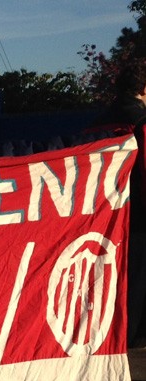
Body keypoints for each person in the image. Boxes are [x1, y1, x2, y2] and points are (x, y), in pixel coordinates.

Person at [91, 61, 146, 348]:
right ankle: (128, 338)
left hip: (101, 213)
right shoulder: (141, 120)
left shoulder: (99, 121)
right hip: (138, 216)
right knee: (136, 282)